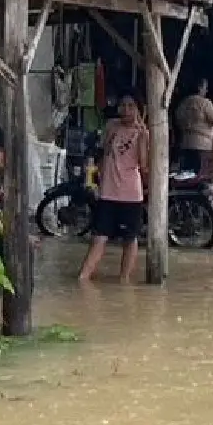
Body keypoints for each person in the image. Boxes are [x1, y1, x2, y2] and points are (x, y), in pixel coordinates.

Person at [79, 95, 149, 284]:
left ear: (138, 110)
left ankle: (124, 279)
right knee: (99, 236)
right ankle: (83, 276)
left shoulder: (142, 133)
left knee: (130, 238)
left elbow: (143, 164)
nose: (126, 110)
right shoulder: (111, 126)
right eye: (123, 105)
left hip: (131, 194)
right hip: (108, 191)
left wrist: (142, 137)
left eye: (131, 106)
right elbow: (102, 152)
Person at [174, 79, 213, 174]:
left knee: (186, 175)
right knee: (199, 175)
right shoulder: (204, 103)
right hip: (201, 146)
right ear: (199, 87)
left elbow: (177, 120)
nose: (206, 91)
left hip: (185, 144)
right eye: (205, 88)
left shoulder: (183, 103)